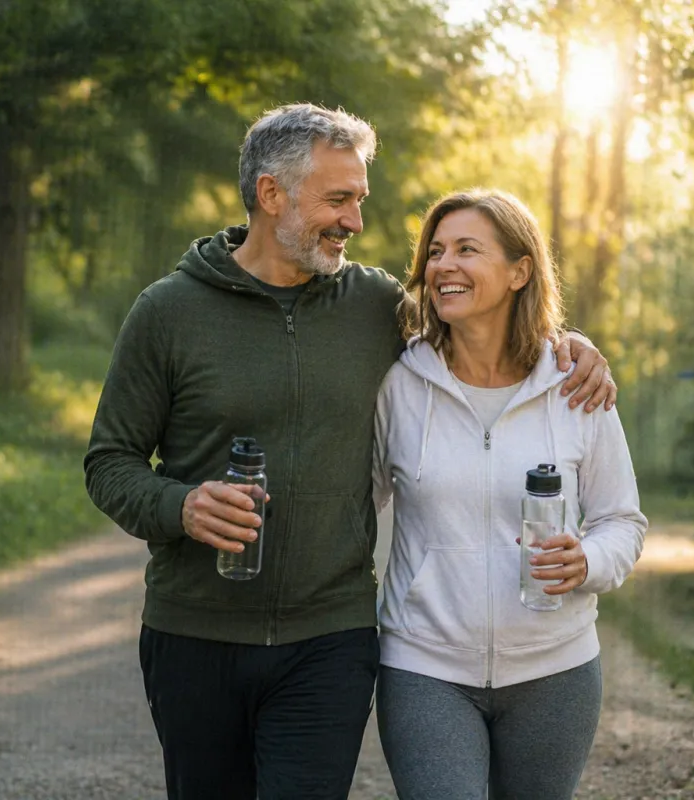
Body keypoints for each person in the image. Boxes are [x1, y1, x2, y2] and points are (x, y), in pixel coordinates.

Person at [83, 104, 616, 800]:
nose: (355, 222)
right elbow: (109, 462)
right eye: (339, 199)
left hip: (330, 638)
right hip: (195, 633)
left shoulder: (376, 306)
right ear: (272, 195)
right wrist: (180, 506)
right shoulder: (168, 312)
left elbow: (482, 327)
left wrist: (568, 348)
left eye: (359, 200)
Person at [371, 189, 647, 800]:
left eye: (468, 249)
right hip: (424, 666)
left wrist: (589, 561)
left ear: (520, 271)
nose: (445, 265)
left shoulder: (575, 387)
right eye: (436, 251)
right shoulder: (401, 386)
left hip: (557, 668)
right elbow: (354, 511)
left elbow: (622, 520)